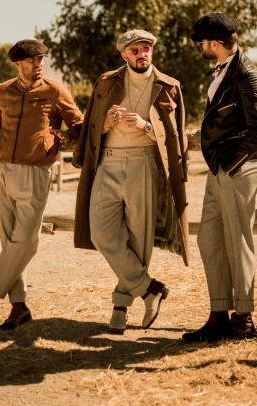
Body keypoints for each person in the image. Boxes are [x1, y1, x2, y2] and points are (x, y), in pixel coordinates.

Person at [72, 29, 189, 334]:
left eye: (146, 48)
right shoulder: (106, 81)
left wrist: (146, 125)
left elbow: (177, 136)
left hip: (144, 164)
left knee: (138, 240)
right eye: (134, 50)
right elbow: (91, 124)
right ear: (123, 54)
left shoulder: (169, 86)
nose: (142, 54)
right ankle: (150, 289)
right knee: (100, 232)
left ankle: (120, 306)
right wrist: (105, 124)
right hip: (107, 162)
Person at [0, 39, 84, 330]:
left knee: (26, 242)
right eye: (32, 61)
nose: (38, 64)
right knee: (9, 241)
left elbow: (80, 125)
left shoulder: (55, 90)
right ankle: (18, 307)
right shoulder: (3, 90)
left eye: (41, 59)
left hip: (35, 172)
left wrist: (63, 139)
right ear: (18, 64)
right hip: (3, 170)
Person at [182, 13, 257, 343]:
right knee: (210, 238)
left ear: (214, 43)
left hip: (237, 168)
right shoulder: (224, 70)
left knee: (238, 241)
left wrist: (230, 165)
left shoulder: (247, 75)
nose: (200, 47)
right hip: (222, 168)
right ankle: (218, 316)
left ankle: (243, 319)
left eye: (201, 42)